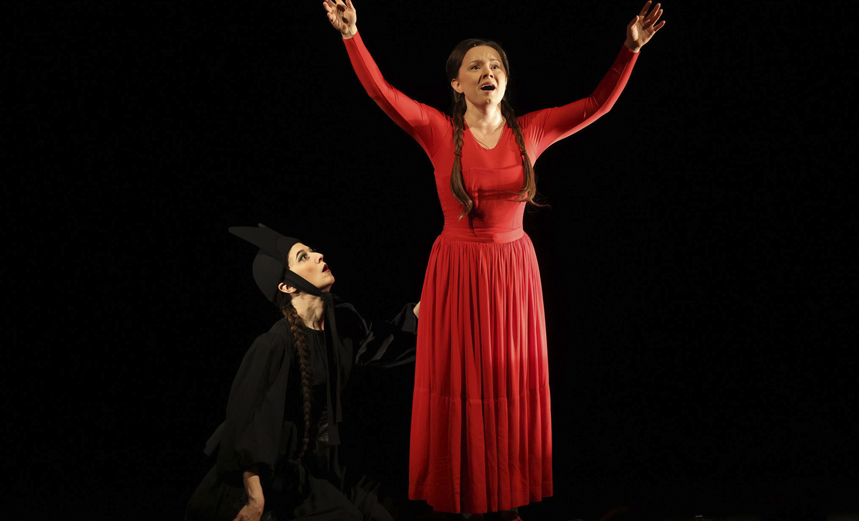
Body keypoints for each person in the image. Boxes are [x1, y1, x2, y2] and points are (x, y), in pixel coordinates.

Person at [323, 1, 666, 519]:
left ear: (505, 80)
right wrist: (352, 36)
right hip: (457, 270)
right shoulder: (439, 131)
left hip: (513, 274)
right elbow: (382, 94)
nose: (489, 71)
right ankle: (464, 497)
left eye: (496, 65)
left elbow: (596, 104)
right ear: (457, 83)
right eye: (476, 66)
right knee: (460, 383)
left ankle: (507, 501)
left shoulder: (531, 131)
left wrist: (630, 50)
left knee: (509, 383)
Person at [184, 224, 418, 521]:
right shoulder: (275, 343)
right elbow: (247, 424)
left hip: (331, 465)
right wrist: (255, 499)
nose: (319, 256)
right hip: (279, 473)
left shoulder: (342, 322)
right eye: (303, 257)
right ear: (287, 286)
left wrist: (435, 298)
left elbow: (385, 343)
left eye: (312, 251)